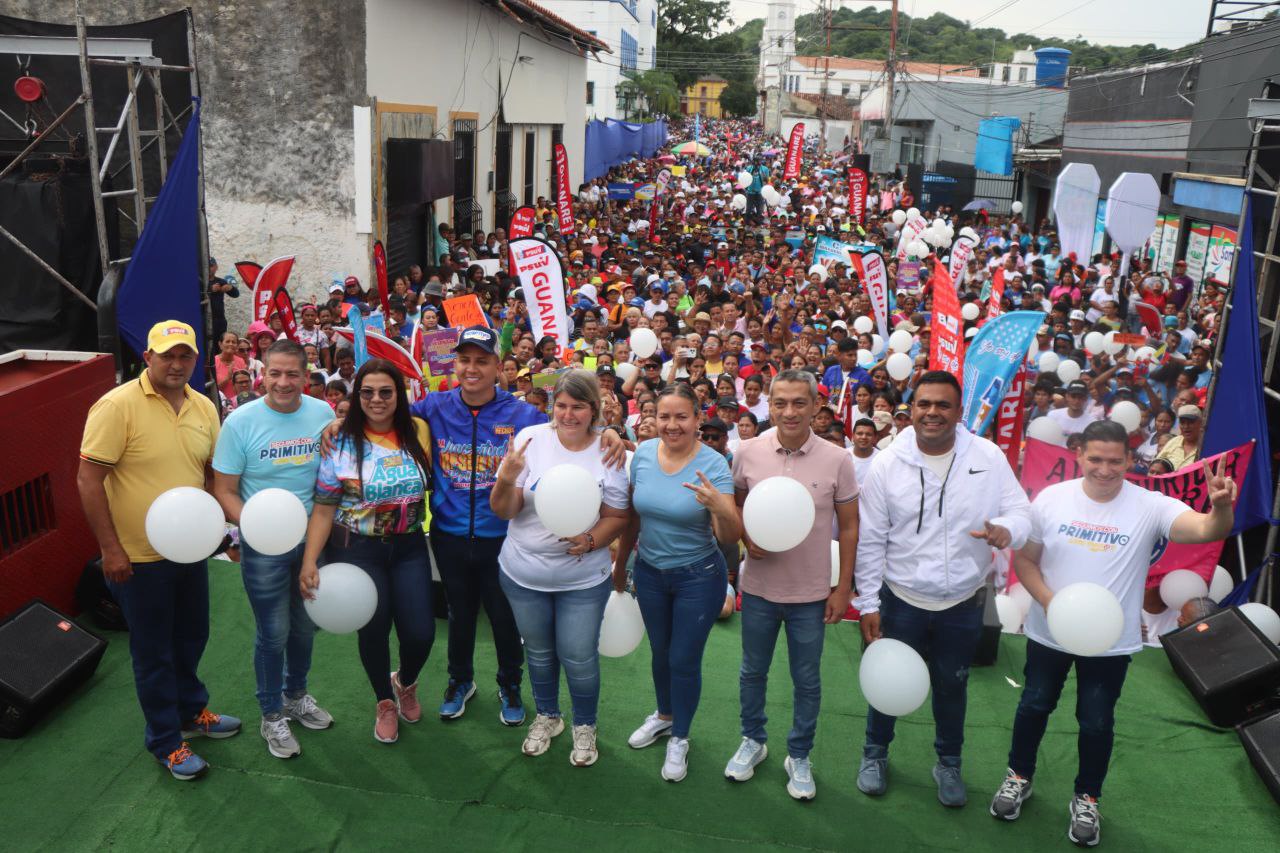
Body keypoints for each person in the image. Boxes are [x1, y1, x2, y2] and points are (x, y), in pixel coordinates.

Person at [990, 420, 1236, 847]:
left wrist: (1221, 508)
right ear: (1079, 455)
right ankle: (1018, 776)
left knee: (1096, 721)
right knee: (1034, 705)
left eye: (1115, 461)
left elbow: (1206, 530)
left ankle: (1087, 798)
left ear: (1129, 460)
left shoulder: (1150, 505)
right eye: (1096, 459)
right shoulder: (1051, 499)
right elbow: (1025, 561)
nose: (1104, 469)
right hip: (1049, 633)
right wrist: (1053, 605)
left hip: (1109, 642)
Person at [854, 370, 1032, 807]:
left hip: (963, 602)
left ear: (958, 412)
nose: (932, 412)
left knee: (953, 687)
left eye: (943, 405)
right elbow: (872, 538)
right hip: (902, 599)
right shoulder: (887, 464)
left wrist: (1007, 529)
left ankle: (948, 763)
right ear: (912, 409)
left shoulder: (987, 457)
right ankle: (875, 753)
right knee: (888, 680)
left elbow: (1021, 512)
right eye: (924, 404)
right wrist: (868, 602)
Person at [77, 320, 240, 780]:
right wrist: (110, 549)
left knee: (192, 637)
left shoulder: (204, 406)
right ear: (147, 357)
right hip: (137, 560)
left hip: (189, 553)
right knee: (154, 653)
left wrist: (217, 530)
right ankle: (165, 741)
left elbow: (208, 474)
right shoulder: (116, 406)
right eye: (167, 355)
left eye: (185, 355)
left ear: (196, 359)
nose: (176, 363)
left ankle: (190, 713)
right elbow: (88, 481)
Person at [724, 370, 859, 801]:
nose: (789, 411)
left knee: (807, 679)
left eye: (799, 402)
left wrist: (842, 588)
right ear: (770, 404)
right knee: (752, 671)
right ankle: (753, 739)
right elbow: (735, 508)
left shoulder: (838, 459)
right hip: (759, 589)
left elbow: (850, 527)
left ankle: (799, 754)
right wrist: (746, 537)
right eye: (780, 402)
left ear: (816, 406)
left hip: (811, 594)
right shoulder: (747, 452)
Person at [489, 370, 630, 766]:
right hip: (523, 574)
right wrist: (506, 479)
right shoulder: (530, 441)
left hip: (583, 579)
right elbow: (504, 510)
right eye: (562, 406)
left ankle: (585, 725)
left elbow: (618, 515)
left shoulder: (608, 450)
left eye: (578, 407)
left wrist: (591, 541)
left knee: (579, 655)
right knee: (538, 652)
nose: (568, 415)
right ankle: (548, 716)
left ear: (594, 409)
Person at [211, 340, 336, 759]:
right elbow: (224, 490)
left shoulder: (322, 414)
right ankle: (271, 714)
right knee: (274, 631)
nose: (283, 382)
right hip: (263, 547)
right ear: (262, 374)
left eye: (292, 374)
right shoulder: (239, 422)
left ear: (306, 376)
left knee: (304, 627)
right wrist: (256, 527)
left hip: (311, 541)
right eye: (275, 373)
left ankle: (295, 696)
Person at [302, 360, 434, 744]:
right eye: (367, 392)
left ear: (399, 395)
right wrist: (309, 560)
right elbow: (324, 508)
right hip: (358, 551)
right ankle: (384, 701)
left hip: (409, 546)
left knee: (420, 633)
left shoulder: (419, 430)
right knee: (374, 630)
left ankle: (405, 682)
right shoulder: (340, 441)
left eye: (386, 392)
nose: (377, 399)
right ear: (356, 396)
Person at [615, 384, 742, 782]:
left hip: (698, 577)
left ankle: (680, 737)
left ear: (697, 419)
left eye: (681, 416)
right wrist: (620, 564)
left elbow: (730, 535)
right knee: (660, 652)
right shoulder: (643, 454)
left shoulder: (714, 464)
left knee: (683, 659)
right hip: (649, 572)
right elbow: (633, 516)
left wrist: (721, 507)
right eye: (664, 416)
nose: (672, 425)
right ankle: (665, 715)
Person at [1156, 404, 1203, 470]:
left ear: (1201, 423)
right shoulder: (1174, 441)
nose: (1186, 426)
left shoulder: (1206, 446)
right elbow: (1156, 465)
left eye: (1191, 422)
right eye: (1182, 422)